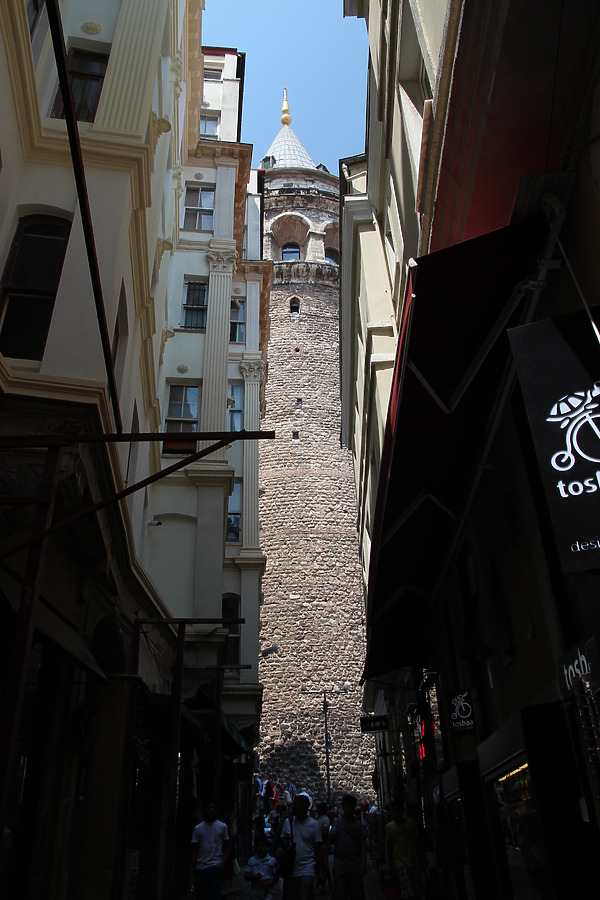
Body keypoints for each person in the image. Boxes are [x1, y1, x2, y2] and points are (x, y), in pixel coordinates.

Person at [279, 791, 323, 900]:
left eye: (296, 805)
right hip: (291, 869)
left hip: (308, 868)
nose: (293, 807)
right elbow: (282, 844)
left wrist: (320, 871)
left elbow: (318, 848)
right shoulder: (288, 823)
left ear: (305, 807)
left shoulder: (314, 825)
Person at [189, 800, 230, 900]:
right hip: (201, 868)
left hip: (215, 866)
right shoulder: (198, 829)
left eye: (213, 808)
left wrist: (221, 864)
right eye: (209, 808)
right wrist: (191, 872)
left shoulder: (222, 827)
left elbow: (227, 847)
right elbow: (195, 850)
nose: (211, 810)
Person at [385, 799, 425, 900]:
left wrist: (423, 857)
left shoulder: (411, 824)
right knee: (409, 893)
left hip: (415, 862)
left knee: (418, 892)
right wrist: (391, 865)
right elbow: (389, 847)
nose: (397, 812)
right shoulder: (389, 827)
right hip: (401, 864)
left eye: (399, 810)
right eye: (395, 810)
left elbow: (417, 842)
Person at [329, 795, 366, 900]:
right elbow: (332, 839)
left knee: (357, 893)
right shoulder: (336, 822)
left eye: (351, 807)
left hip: (355, 864)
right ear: (342, 807)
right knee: (339, 892)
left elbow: (363, 843)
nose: (348, 810)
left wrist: (363, 863)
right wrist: (331, 835)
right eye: (346, 807)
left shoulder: (358, 825)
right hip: (340, 865)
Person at [245, 834, 279, 900]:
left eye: (263, 845)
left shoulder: (272, 861)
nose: (261, 848)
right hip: (255, 894)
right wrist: (254, 876)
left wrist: (269, 882)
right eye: (258, 846)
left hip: (268, 894)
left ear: (266, 846)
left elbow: (276, 877)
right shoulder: (252, 861)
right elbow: (246, 876)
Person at [315, 802, 333, 894]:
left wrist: (314, 834)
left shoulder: (324, 819)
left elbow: (325, 832)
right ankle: (322, 884)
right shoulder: (318, 818)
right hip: (318, 846)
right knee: (320, 866)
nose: (315, 808)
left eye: (317, 807)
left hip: (323, 846)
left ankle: (324, 884)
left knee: (323, 866)